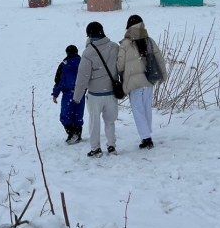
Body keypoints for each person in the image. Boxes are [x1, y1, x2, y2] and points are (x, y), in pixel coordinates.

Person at [117, 14, 167, 149]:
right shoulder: (149, 41)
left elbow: (120, 65)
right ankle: (147, 136)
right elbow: (159, 58)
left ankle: (146, 138)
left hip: (134, 84)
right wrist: (164, 75)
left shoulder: (125, 44)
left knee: (138, 111)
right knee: (146, 110)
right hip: (148, 80)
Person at [73, 21, 119, 157]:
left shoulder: (88, 52)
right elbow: (120, 68)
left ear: (89, 35)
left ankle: (96, 149)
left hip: (95, 95)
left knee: (94, 123)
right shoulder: (115, 47)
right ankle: (111, 146)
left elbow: (82, 77)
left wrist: (77, 97)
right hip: (111, 93)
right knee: (110, 121)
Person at [52, 45, 84, 144]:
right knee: (78, 115)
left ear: (67, 53)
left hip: (68, 94)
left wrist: (55, 94)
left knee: (65, 116)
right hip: (80, 93)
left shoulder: (64, 64)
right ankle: (77, 134)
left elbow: (58, 81)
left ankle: (72, 134)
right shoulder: (83, 62)